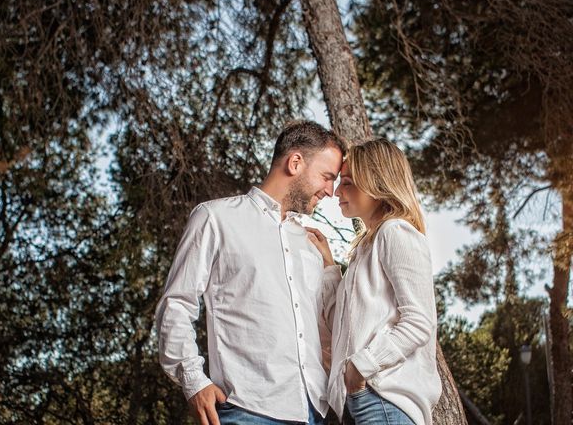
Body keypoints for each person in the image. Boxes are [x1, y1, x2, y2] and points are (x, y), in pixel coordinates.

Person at [155, 120, 346, 425]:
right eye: (326, 177)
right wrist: (194, 381)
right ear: (295, 162)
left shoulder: (311, 247)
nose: (330, 191)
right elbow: (176, 304)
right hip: (247, 409)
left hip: (315, 412)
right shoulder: (215, 218)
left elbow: (325, 333)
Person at [307, 138, 442, 425]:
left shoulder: (396, 232)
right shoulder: (365, 249)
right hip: (361, 401)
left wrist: (360, 368)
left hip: (383, 400)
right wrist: (331, 269)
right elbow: (343, 327)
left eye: (348, 182)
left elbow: (419, 321)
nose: (337, 191)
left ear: (377, 185)